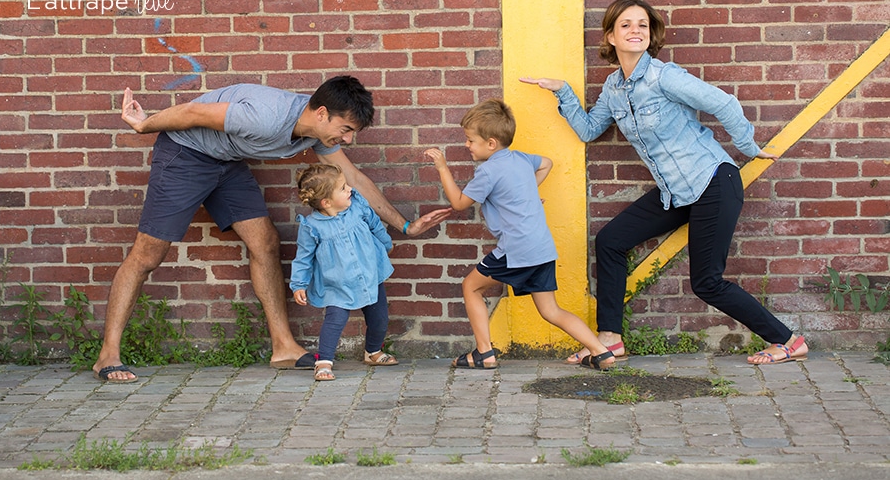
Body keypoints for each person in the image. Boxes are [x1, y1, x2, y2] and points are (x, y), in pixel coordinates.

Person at [92, 76, 450, 383]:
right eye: (346, 130)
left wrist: (403, 224)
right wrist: (144, 123)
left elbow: (353, 177)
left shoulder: (317, 135)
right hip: (186, 155)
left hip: (225, 161)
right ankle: (108, 354)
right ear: (322, 114)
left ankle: (283, 347)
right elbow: (193, 112)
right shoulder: (264, 117)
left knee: (265, 240)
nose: (349, 140)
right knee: (148, 254)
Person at [521, 0, 807, 366]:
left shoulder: (664, 76)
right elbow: (590, 130)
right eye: (625, 25)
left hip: (712, 182)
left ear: (651, 33)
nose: (635, 31)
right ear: (609, 36)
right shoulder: (614, 88)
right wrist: (562, 91)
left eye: (642, 24)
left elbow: (723, 103)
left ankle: (787, 340)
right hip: (675, 192)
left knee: (706, 282)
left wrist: (748, 147)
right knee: (610, 241)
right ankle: (610, 338)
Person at [424, 99, 616, 371]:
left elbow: (458, 202)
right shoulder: (522, 159)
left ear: (491, 144)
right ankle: (601, 352)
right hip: (542, 248)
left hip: (516, 250)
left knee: (470, 286)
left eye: (470, 141)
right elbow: (546, 164)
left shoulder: (488, 171)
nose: (467, 145)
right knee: (551, 310)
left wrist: (442, 167)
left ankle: (484, 352)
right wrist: (526, 193)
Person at [290, 164, 399, 381]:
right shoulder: (312, 227)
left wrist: (386, 243)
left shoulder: (357, 206)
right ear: (326, 202)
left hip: (369, 272)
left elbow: (375, 224)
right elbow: (303, 258)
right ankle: (324, 362)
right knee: (334, 321)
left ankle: (373, 351)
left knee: (379, 318)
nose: (349, 188)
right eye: (342, 188)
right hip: (336, 282)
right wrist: (298, 284)